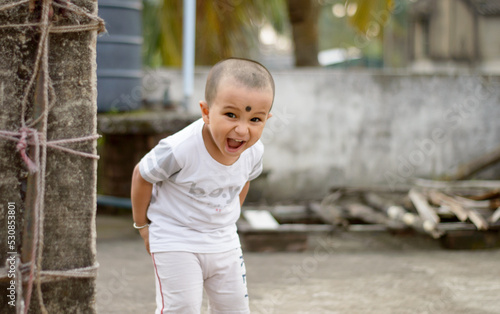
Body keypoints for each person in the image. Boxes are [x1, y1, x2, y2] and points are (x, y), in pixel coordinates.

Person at [130, 58, 275, 314]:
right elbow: (142, 175)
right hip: (176, 238)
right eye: (231, 115)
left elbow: (243, 182)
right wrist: (142, 226)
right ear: (206, 112)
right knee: (182, 308)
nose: (242, 130)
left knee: (235, 309)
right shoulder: (180, 148)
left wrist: (228, 218)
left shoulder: (254, 152)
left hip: (223, 241)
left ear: (267, 119)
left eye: (255, 119)